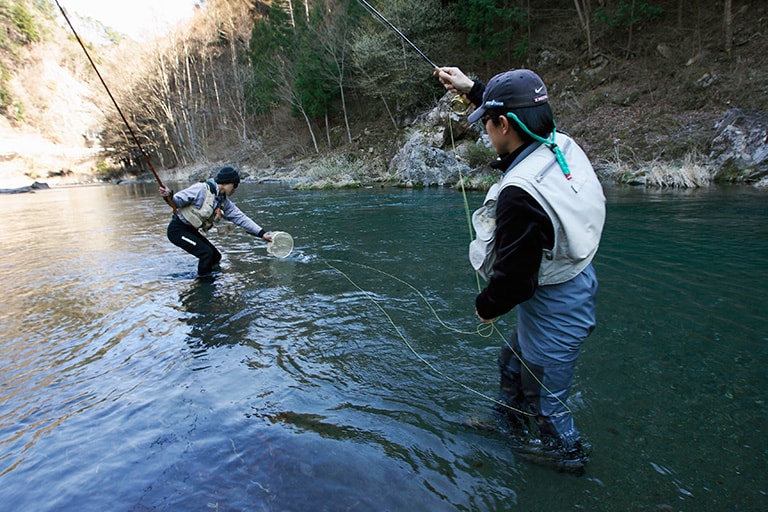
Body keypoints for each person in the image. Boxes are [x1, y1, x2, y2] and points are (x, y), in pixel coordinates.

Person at [436, 67, 606, 472]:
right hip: (571, 279)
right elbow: (517, 114)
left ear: (505, 125)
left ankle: (568, 459)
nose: (486, 134)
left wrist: (487, 305)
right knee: (512, 363)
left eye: (488, 125)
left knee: (545, 397)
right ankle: (507, 422)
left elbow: (514, 279)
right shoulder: (557, 140)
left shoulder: (520, 194)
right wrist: (474, 90)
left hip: (556, 300)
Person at [160, 166, 273, 281]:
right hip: (177, 231)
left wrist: (262, 234)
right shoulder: (201, 189)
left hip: (191, 231)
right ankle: (203, 283)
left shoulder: (223, 201)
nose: (235, 189)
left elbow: (241, 218)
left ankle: (209, 275)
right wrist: (169, 195)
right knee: (206, 254)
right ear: (226, 183)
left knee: (215, 256)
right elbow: (176, 201)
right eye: (235, 185)